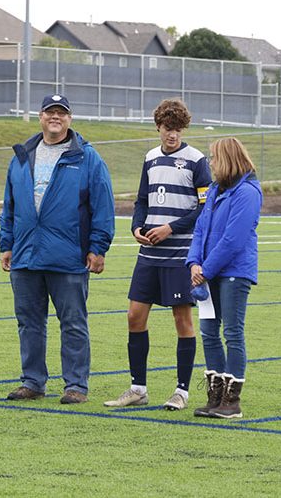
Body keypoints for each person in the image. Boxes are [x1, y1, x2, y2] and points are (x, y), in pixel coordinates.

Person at [0, 94, 115, 405]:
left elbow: (103, 205)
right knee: (29, 322)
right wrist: (6, 243)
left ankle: (76, 385)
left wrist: (98, 247)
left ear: (69, 119)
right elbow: (9, 205)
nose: (55, 117)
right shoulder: (22, 156)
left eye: (61, 113)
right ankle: (32, 381)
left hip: (68, 255)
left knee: (73, 322)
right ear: (40, 116)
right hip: (25, 253)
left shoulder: (87, 157)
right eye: (50, 112)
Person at [104, 98, 212, 411]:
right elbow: (141, 200)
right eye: (168, 128)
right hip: (148, 253)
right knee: (134, 316)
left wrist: (171, 228)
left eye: (178, 129)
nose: (172, 135)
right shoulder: (150, 158)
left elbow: (205, 207)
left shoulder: (196, 160)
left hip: (180, 253)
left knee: (182, 319)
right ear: (158, 127)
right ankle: (138, 388)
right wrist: (137, 226)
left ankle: (181, 392)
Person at [187, 137, 261, 419]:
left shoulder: (248, 192)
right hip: (207, 272)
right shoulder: (216, 190)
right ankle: (214, 396)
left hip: (232, 273)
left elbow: (233, 239)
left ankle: (231, 401)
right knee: (209, 334)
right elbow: (200, 229)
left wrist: (205, 269)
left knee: (232, 332)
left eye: (214, 158)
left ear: (227, 159)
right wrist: (194, 262)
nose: (211, 163)